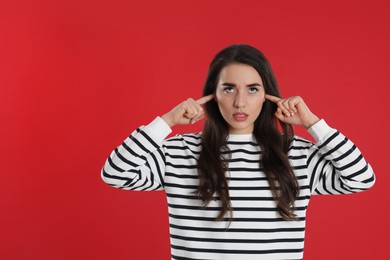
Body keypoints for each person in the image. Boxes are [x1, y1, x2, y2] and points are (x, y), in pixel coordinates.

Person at [101, 44, 375, 260]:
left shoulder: (296, 154)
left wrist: (313, 124)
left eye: (252, 89)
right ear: (212, 94)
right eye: (229, 88)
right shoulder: (177, 152)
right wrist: (166, 122)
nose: (240, 101)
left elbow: (361, 178)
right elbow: (115, 173)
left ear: (267, 95)